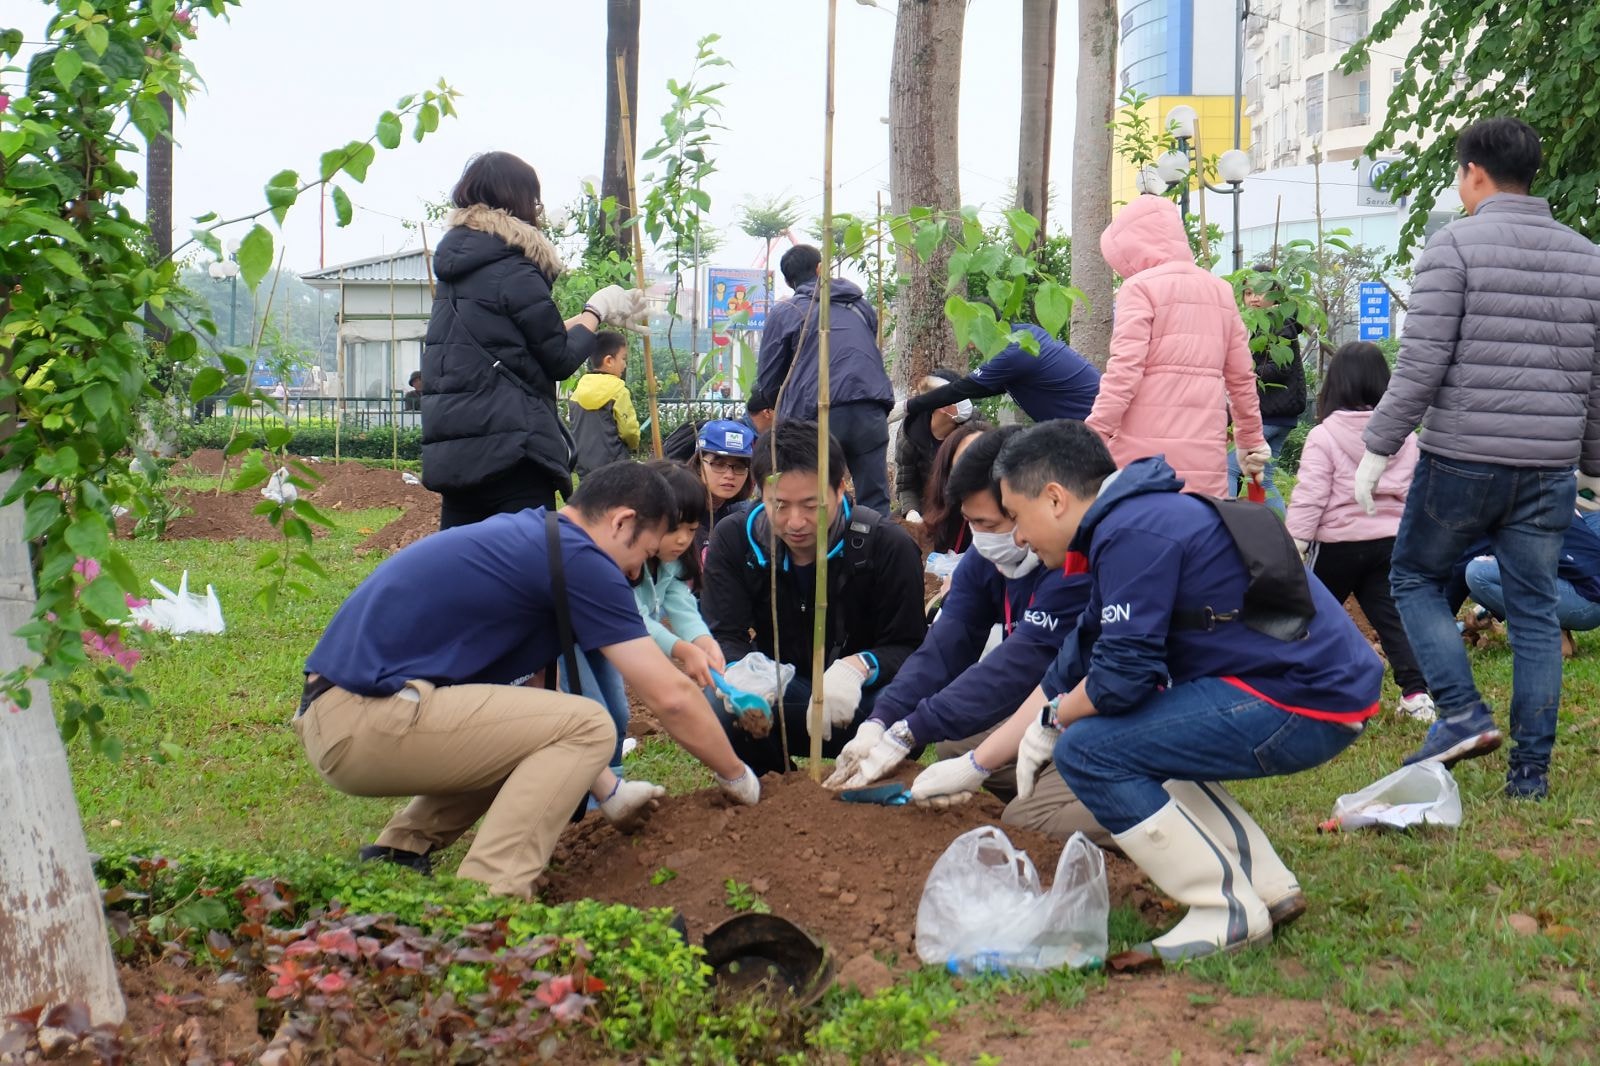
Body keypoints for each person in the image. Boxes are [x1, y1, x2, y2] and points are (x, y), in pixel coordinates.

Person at [911, 422, 1381, 960]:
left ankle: (1222, 909)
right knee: (1137, 735)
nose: (1016, 536)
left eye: (1017, 517)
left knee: (1089, 750)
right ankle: (1265, 884)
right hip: (1311, 688)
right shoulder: (1127, 523)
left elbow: (1121, 678)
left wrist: (1056, 721)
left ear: (1056, 498)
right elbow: (1074, 662)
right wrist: (975, 763)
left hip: (1301, 701)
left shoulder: (1132, 533)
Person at [296, 462, 760, 898]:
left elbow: (537, 705)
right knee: (591, 723)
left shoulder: (542, 539)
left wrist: (609, 792)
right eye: (643, 553)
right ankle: (489, 897)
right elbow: (672, 695)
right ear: (621, 522)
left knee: (553, 724)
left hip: (340, 712)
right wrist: (737, 776)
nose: (637, 572)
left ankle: (399, 852)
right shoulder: (582, 561)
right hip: (362, 721)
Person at [1354, 117, 1600, 801]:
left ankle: (1461, 711)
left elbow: (1421, 365)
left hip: (1464, 458)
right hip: (1549, 467)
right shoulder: (1589, 256)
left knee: (1412, 579)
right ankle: (1530, 775)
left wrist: (1377, 448)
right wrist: (1592, 464)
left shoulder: (1452, 246)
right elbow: (1597, 374)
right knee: (1533, 612)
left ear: (1473, 173)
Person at [825, 425, 1108, 844]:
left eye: (990, 522)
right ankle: (1059, 783)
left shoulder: (1074, 563)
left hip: (1107, 712)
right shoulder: (990, 555)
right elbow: (945, 646)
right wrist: (882, 720)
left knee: (1027, 822)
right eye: (971, 522)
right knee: (958, 744)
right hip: (1054, 710)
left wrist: (912, 729)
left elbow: (1019, 666)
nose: (983, 537)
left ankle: (1140, 797)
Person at [421, 151, 647, 529]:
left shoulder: (455, 272)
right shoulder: (515, 267)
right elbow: (557, 357)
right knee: (524, 571)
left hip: (457, 453)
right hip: (512, 454)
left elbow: (512, 342)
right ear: (520, 199)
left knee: (462, 571)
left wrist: (589, 319)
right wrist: (596, 308)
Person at [700, 420, 927, 775]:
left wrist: (859, 667)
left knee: (909, 705)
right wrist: (744, 677)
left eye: (811, 505)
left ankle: (862, 780)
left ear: (840, 488)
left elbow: (910, 644)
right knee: (716, 701)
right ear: (759, 491)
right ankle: (778, 788)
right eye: (780, 505)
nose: (795, 522)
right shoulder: (735, 541)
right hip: (781, 694)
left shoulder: (886, 546)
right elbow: (723, 633)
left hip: (861, 703)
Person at [1284, 342, 1434, 722]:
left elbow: (1310, 495)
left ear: (1336, 385)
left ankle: (1313, 693)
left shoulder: (1324, 434)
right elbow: (1418, 492)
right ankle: (1417, 696)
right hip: (1389, 543)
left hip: (1335, 545)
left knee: (1309, 619)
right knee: (1394, 621)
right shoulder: (1405, 437)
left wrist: (1295, 544)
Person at [1088, 194, 1270, 497]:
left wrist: (1092, 436)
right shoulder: (1221, 291)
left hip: (1142, 461)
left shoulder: (1139, 288)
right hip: (1205, 459)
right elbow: (1241, 378)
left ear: (1131, 247)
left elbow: (1124, 373)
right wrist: (1251, 440)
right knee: (1198, 536)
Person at [754, 245, 894, 513]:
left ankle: (821, 553)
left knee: (810, 497)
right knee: (874, 500)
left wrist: (782, 415)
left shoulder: (786, 311)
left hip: (816, 413)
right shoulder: (860, 305)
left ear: (788, 280)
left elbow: (769, 381)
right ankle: (875, 551)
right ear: (821, 269)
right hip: (870, 407)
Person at [895, 318, 1101, 426]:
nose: (970, 346)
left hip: (1101, 424)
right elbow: (982, 388)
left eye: (971, 336)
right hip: (1096, 418)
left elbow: (964, 388)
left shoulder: (1013, 353)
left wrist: (905, 407)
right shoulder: (1025, 333)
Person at [1464, 501, 1600, 659]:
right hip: (1583, 590)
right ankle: (1559, 630)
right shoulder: (1536, 491)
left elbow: (1461, 572)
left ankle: (1550, 638)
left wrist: (1446, 627)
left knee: (1477, 572)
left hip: (1587, 601)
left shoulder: (1493, 510)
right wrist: (1489, 611)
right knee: (1477, 579)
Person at [1225, 269, 1306, 512]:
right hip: (1278, 414)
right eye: (1248, 293)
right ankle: (1273, 531)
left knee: (1227, 467)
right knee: (1259, 478)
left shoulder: (1278, 324)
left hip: (1269, 412)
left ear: (1277, 296)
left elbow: (1279, 368)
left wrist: (1243, 373)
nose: (1254, 299)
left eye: (1261, 292)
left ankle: (1225, 524)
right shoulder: (1252, 325)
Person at [895, 369, 975, 521]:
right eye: (958, 397)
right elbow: (906, 485)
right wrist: (912, 513)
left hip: (967, 512)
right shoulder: (910, 434)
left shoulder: (975, 429)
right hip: (929, 510)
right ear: (942, 406)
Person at [568, 331, 640, 476]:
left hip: (584, 467)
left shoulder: (578, 392)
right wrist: (633, 444)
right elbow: (629, 432)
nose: (624, 365)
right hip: (614, 468)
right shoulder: (619, 391)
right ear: (609, 361)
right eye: (623, 358)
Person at [689, 418, 756, 567]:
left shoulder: (744, 516)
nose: (729, 475)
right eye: (718, 464)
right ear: (698, 464)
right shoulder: (682, 511)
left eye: (739, 466)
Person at [919, 420, 992, 555]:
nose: (975, 472)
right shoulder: (934, 527)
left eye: (984, 462)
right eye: (964, 464)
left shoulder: (1015, 534)